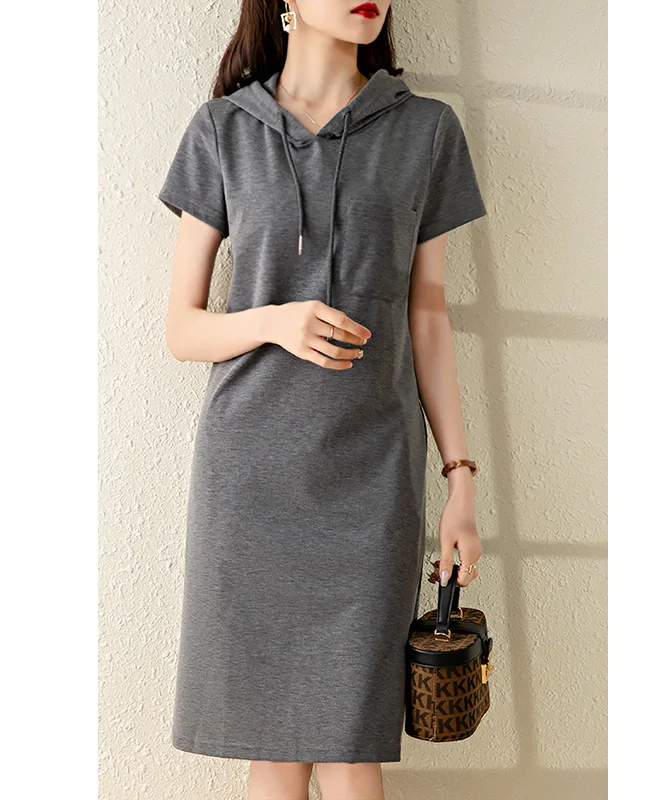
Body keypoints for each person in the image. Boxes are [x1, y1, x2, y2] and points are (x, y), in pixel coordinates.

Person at [157, 2, 487, 798]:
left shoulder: (427, 131)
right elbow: (181, 329)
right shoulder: (223, 130)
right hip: (250, 478)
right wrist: (273, 320)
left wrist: (461, 481)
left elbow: (428, 314)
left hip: (373, 479)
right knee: (272, 753)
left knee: (350, 744)